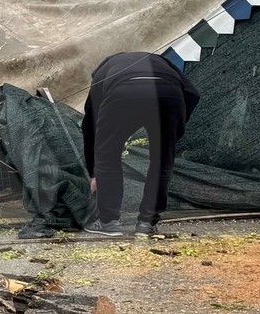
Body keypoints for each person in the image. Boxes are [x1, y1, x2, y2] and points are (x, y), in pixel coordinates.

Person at [81, 51, 200, 238]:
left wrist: (93, 172)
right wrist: (174, 132)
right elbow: (193, 94)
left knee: (108, 154)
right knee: (161, 160)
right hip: (169, 95)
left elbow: (90, 127)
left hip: (123, 93)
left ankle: (108, 222)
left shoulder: (102, 73)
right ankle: (146, 223)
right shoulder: (162, 61)